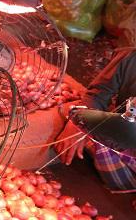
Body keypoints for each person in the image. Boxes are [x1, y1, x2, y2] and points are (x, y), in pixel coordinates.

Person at [55, 49, 136, 192]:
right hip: (125, 136)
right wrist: (78, 122)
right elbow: (97, 94)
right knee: (95, 136)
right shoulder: (129, 58)